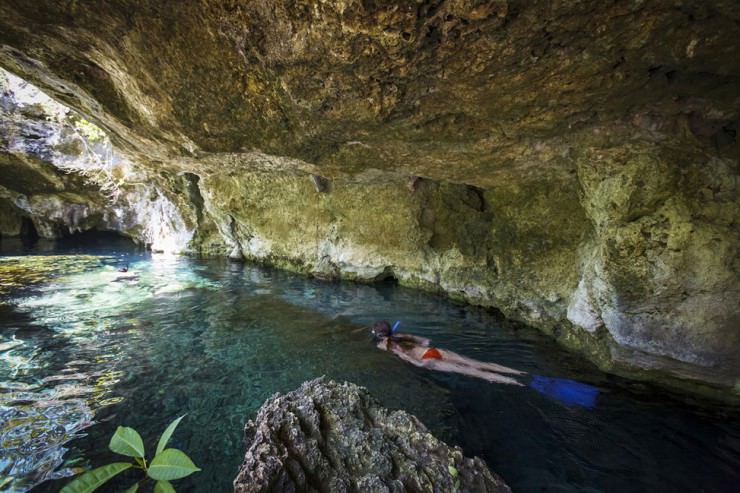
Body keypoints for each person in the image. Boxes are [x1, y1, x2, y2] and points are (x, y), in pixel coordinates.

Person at [371, 320, 526, 386]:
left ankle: (516, 383)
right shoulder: (401, 335)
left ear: (379, 336)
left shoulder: (387, 346)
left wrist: (421, 364)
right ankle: (519, 372)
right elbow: (425, 341)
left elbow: (406, 357)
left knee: (472, 371)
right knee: (478, 364)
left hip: (427, 360)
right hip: (434, 351)